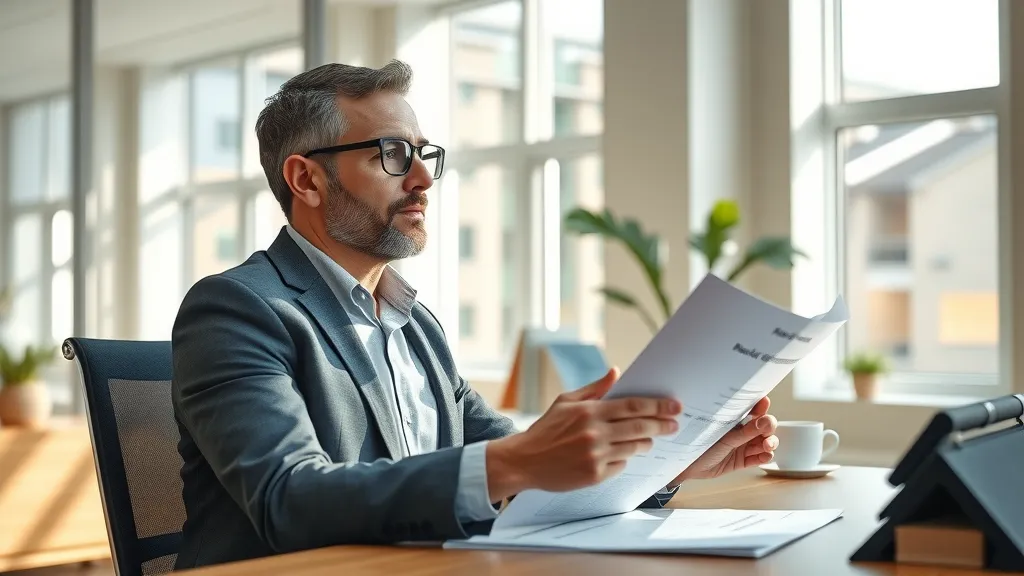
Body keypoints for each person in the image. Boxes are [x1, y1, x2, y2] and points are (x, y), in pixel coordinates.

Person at [170, 60, 779, 571]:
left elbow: (527, 474)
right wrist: (518, 460)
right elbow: (287, 499)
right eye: (391, 153)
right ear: (306, 179)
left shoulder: (416, 324)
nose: (422, 178)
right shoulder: (239, 309)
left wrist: (662, 466)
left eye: (423, 154)